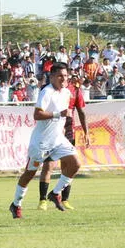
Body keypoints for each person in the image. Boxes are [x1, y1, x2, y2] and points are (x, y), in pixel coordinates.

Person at [9, 63, 81, 219]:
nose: (64, 78)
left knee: (75, 164)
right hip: (41, 143)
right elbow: (37, 115)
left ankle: (55, 193)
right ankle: (16, 204)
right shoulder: (46, 92)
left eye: (66, 75)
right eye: (60, 75)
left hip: (58, 140)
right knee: (30, 173)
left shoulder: (67, 92)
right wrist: (58, 114)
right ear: (52, 76)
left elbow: (64, 115)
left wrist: (62, 126)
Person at [37, 74, 90, 211]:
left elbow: (81, 112)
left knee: (69, 165)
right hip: (52, 131)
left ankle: (64, 198)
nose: (67, 77)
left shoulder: (75, 91)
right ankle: (43, 200)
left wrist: (86, 132)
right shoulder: (49, 89)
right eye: (65, 74)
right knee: (48, 166)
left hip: (68, 131)